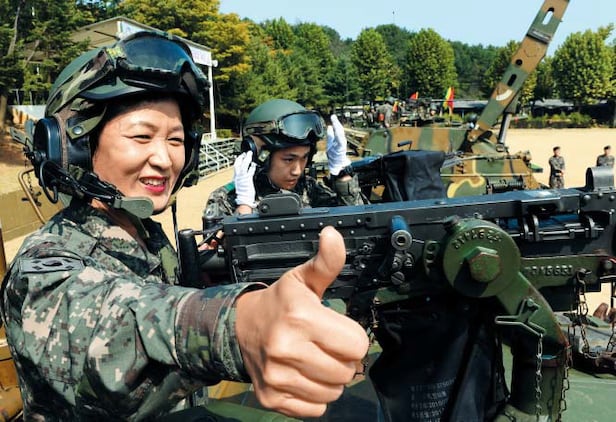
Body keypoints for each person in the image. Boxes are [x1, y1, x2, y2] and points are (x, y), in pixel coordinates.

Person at [0, 31, 369, 420]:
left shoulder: (146, 237)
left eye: (175, 140)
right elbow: (118, 325)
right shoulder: (43, 265)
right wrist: (241, 325)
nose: (164, 159)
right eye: (142, 136)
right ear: (74, 147)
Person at [205, 99, 365, 218]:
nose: (297, 170)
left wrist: (343, 176)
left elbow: (357, 225)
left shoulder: (309, 189)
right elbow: (227, 250)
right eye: (288, 159)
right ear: (259, 156)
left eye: (304, 158)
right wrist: (244, 207)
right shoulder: (225, 200)